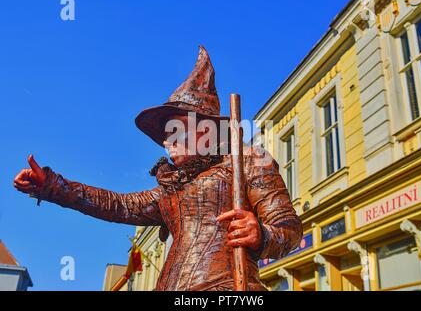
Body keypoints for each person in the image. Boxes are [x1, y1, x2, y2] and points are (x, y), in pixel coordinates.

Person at [14, 46, 302, 291]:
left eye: (176, 130)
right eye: (165, 134)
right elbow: (118, 205)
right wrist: (52, 186)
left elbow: (289, 230)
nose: (167, 140)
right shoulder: (172, 191)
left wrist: (261, 234)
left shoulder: (247, 162)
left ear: (206, 130)